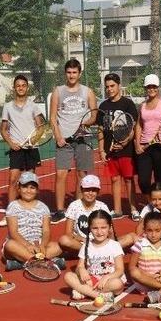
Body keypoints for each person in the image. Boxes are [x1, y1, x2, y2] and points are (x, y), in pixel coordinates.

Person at [49, 59, 98, 224]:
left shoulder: (88, 92)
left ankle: (77, 209)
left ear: (79, 73)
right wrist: (58, 137)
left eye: (74, 72)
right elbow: (52, 118)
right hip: (64, 141)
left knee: (81, 175)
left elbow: (94, 115)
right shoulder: (58, 92)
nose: (71, 75)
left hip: (83, 139)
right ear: (65, 73)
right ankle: (60, 210)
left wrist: (84, 125)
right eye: (69, 72)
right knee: (60, 174)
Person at [0, 74, 46, 227]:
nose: (20, 88)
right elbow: (3, 130)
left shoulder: (33, 106)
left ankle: (31, 213)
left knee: (30, 182)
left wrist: (33, 140)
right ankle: (10, 214)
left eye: (23, 85)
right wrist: (11, 143)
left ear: (27, 88)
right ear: (14, 88)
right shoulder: (8, 107)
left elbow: (40, 128)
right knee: (13, 179)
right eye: (18, 85)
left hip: (31, 148)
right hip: (16, 149)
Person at [97, 73, 139, 220]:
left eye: (112, 86)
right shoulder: (103, 106)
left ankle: (134, 209)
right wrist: (101, 150)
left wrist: (125, 142)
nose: (109, 89)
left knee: (128, 179)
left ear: (119, 85)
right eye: (107, 87)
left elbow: (133, 127)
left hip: (126, 150)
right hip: (110, 150)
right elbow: (101, 129)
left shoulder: (128, 104)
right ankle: (117, 210)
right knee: (114, 179)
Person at [2, 172, 64, 271]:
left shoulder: (43, 207)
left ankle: (21, 263)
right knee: (10, 245)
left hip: (38, 244)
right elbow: (13, 232)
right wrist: (27, 245)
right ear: (19, 188)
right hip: (20, 244)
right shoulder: (13, 206)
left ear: (37, 190)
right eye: (25, 187)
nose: (28, 191)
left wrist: (43, 245)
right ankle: (44, 262)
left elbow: (46, 231)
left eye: (32, 187)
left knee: (59, 246)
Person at [64, 209, 125, 301]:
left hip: (109, 282)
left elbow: (120, 270)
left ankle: (84, 291)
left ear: (109, 227)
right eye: (95, 228)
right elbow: (79, 267)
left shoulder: (115, 245)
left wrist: (107, 277)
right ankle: (98, 295)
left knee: (118, 283)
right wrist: (81, 270)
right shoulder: (86, 246)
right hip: (91, 281)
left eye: (103, 228)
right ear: (90, 229)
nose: (99, 232)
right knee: (68, 276)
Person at [135, 74, 161, 205]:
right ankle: (151, 203)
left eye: (154, 87)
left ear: (158, 88)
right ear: (145, 88)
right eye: (148, 87)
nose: (151, 89)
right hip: (145, 147)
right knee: (143, 181)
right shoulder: (142, 106)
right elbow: (139, 125)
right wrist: (137, 144)